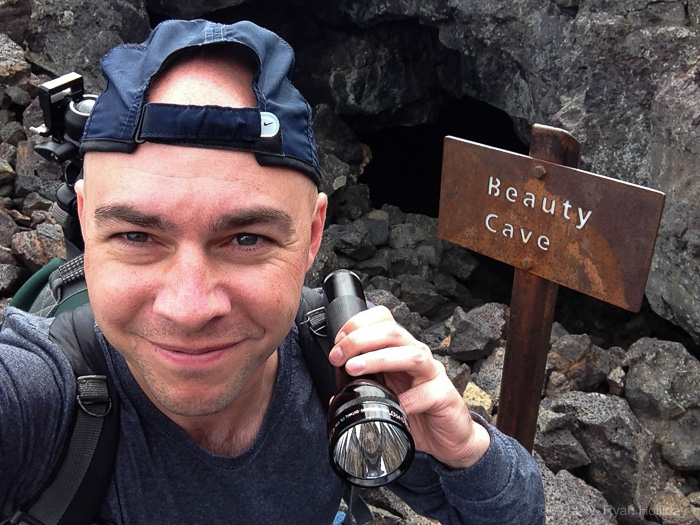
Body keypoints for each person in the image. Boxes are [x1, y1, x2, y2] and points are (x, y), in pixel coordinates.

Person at [0, 19, 545, 524]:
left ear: (312, 237)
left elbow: (513, 513)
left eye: (245, 238)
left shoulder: (336, 365)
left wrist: (467, 450)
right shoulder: (43, 397)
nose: (190, 309)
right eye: (137, 236)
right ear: (87, 227)